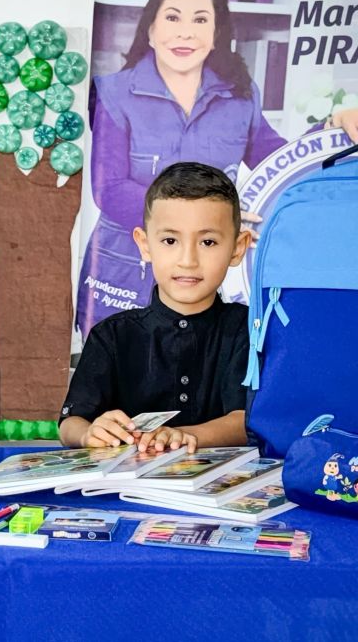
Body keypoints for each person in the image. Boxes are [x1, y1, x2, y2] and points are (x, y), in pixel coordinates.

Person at [76, 0, 358, 336]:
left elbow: (277, 161)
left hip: (204, 276)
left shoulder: (240, 96)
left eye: (200, 20)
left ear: (215, 35)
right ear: (151, 29)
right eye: (173, 17)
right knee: (118, 385)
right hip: (125, 270)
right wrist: (206, 216)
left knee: (194, 383)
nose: (185, 32)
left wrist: (332, 126)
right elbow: (109, 189)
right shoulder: (113, 92)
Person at [60, 162, 252, 453]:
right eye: (170, 240)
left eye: (208, 241)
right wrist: (90, 433)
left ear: (237, 248)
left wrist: (181, 435)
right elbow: (70, 423)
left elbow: (245, 420)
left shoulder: (247, 329)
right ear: (144, 244)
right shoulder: (111, 335)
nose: (188, 259)